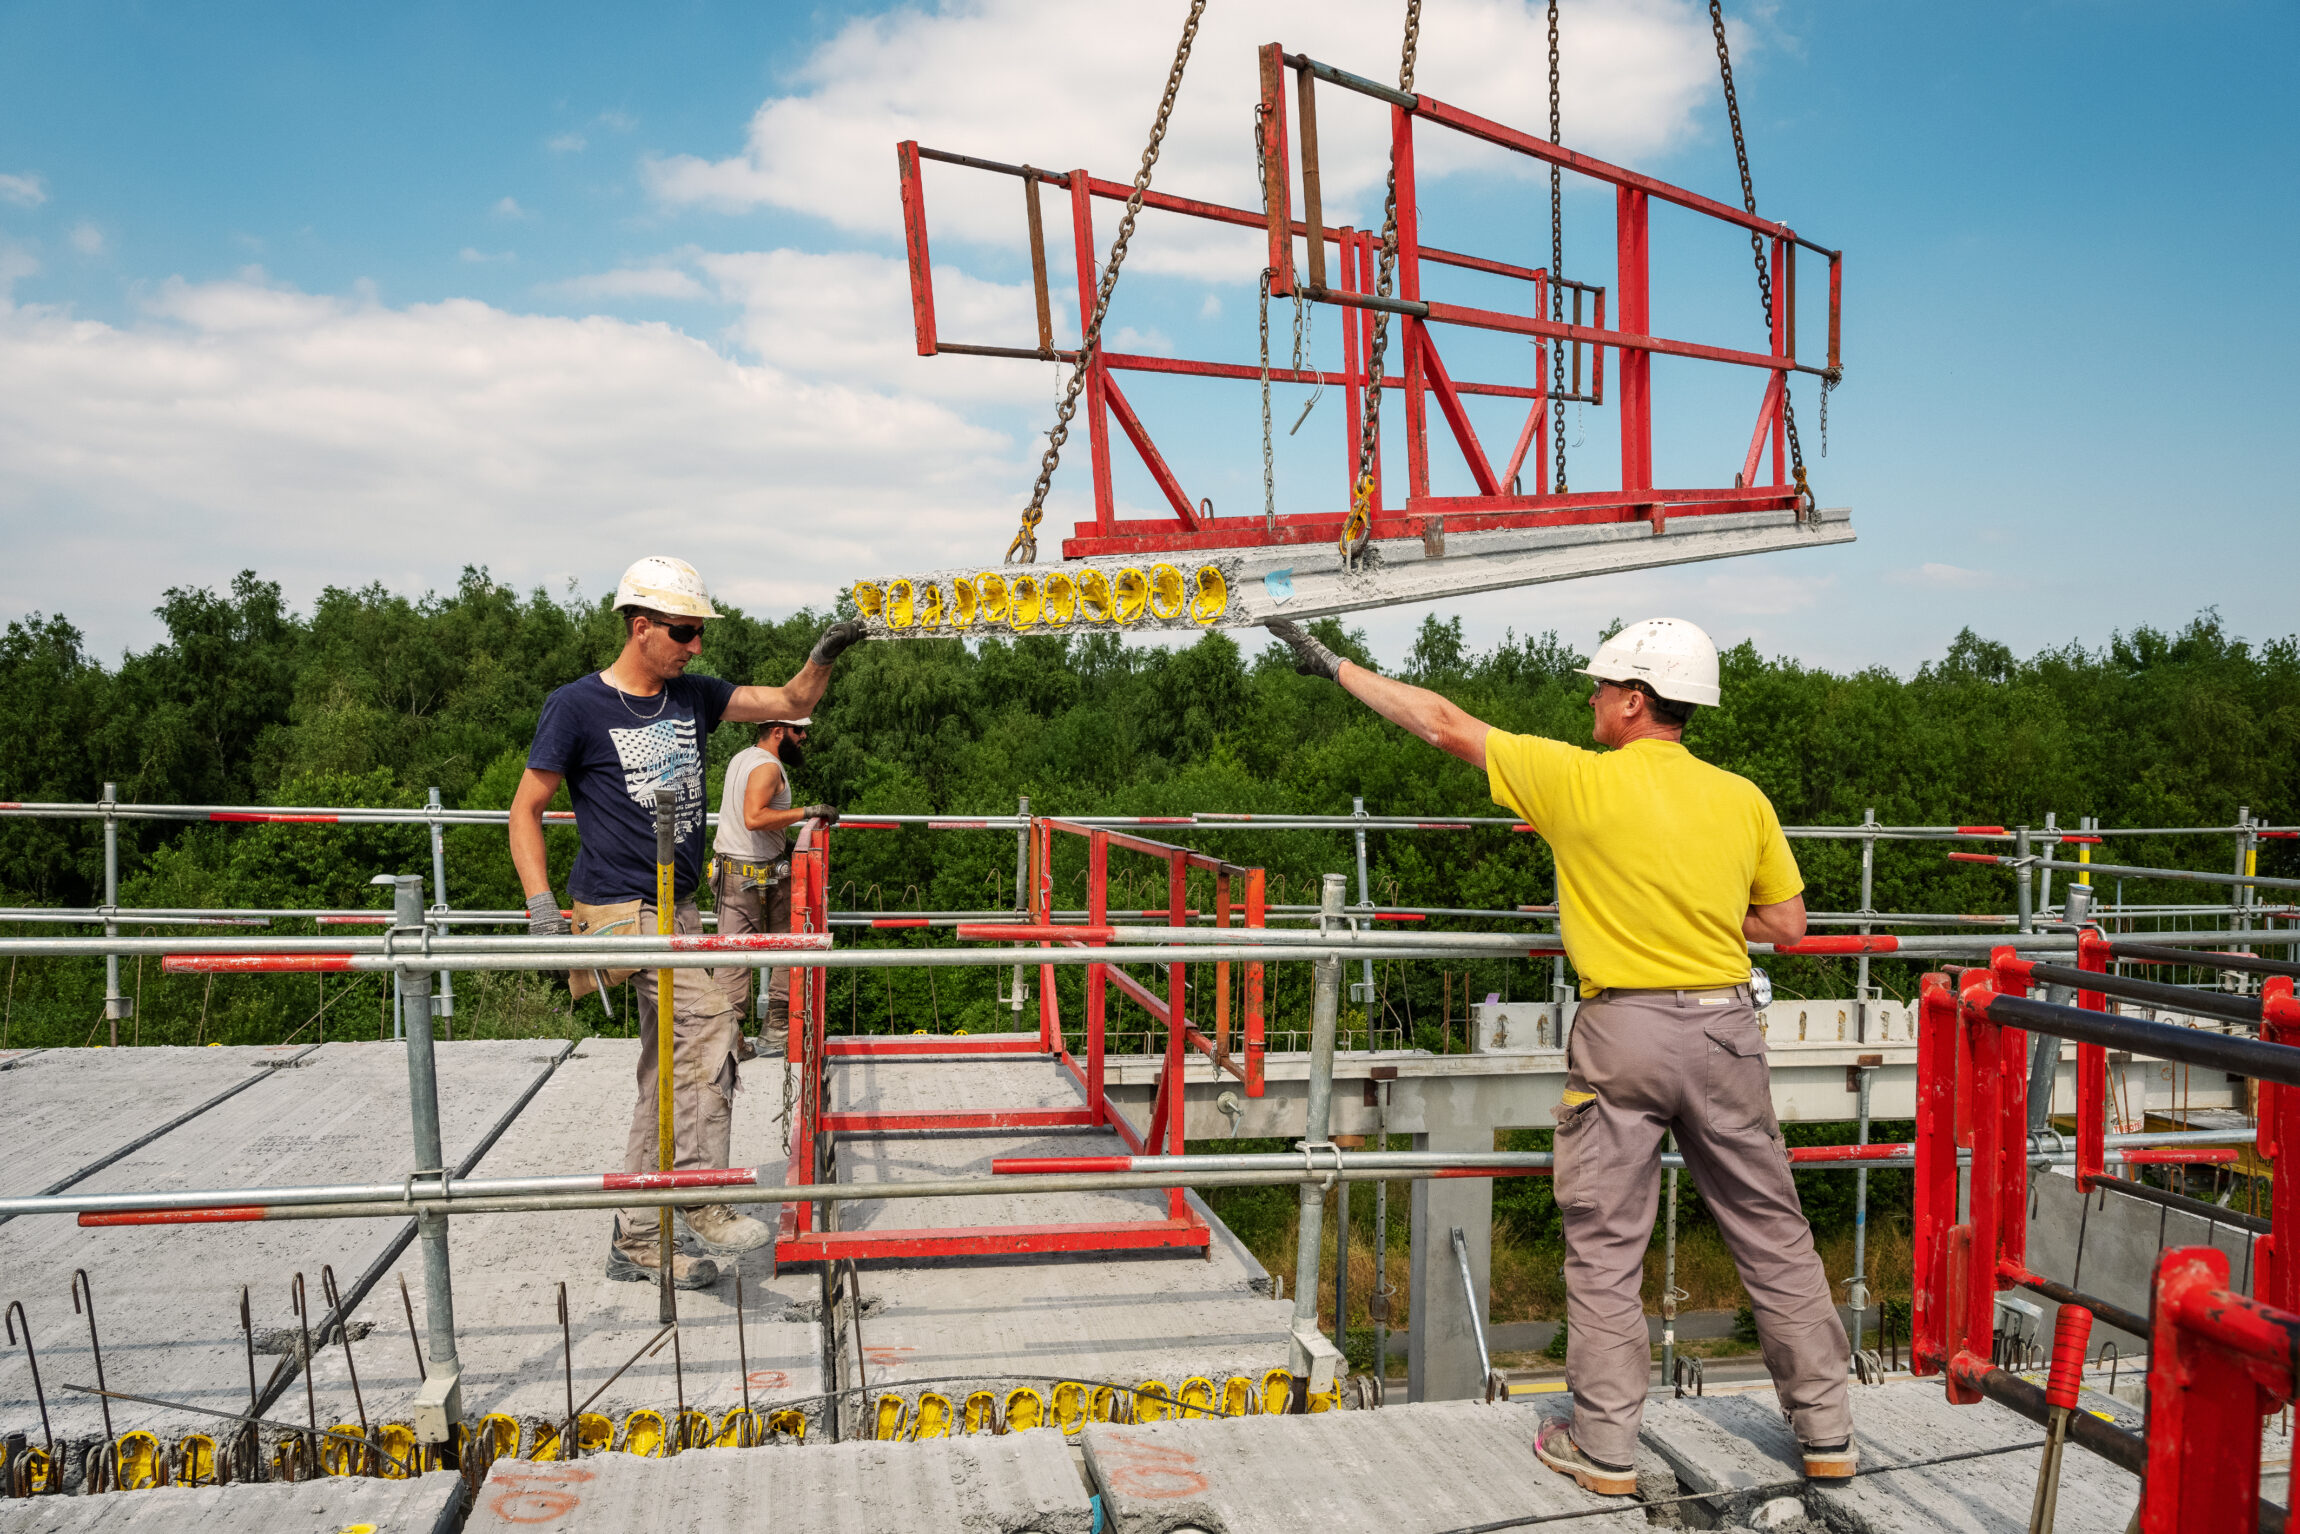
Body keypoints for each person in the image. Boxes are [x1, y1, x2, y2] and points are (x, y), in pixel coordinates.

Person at [1264, 615, 1852, 1494]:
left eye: (1600, 687)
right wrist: (1682, 907)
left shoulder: (1576, 781)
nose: (1589, 699)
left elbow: (1443, 723)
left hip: (1626, 1034)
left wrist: (1337, 665)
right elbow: (1788, 926)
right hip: (1728, 1030)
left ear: (1634, 700)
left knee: (1608, 1242)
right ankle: (1829, 1434)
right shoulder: (1742, 798)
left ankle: (1607, 1448)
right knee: (1772, 1231)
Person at [510, 555, 865, 1289]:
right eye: (682, 631)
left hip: (683, 906)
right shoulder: (576, 706)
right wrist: (543, 912)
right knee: (710, 1025)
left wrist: (826, 653)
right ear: (640, 628)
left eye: (698, 632)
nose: (694, 646)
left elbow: (795, 695)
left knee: (663, 1075)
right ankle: (701, 1192)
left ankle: (638, 1237)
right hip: (618, 911)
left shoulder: (694, 697)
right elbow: (527, 809)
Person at [712, 715, 838, 1055]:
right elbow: (755, 818)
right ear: (778, 731)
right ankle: (777, 1031)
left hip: (730, 872)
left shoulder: (742, 757)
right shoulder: (767, 767)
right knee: (791, 945)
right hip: (757, 875)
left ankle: (728, 1040)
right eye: (798, 731)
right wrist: (806, 811)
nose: (804, 737)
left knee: (731, 956)